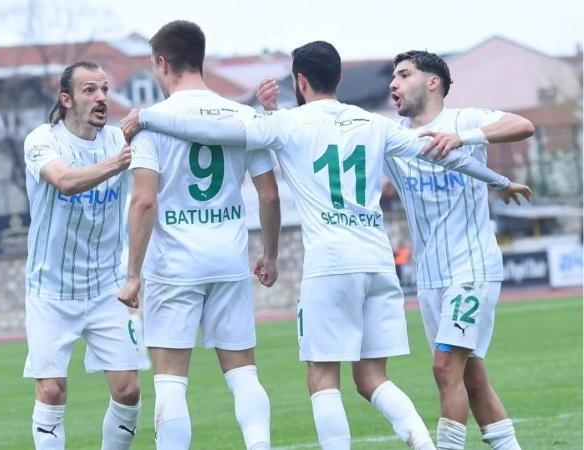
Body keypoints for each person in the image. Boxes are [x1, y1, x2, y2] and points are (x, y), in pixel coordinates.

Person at [122, 41, 531, 450]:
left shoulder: (287, 124)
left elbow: (215, 131)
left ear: (300, 81)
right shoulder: (375, 124)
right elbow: (441, 154)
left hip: (330, 263)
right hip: (377, 261)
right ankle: (425, 444)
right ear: (339, 78)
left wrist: (150, 118)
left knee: (323, 379)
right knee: (374, 377)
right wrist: (500, 181)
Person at [116, 20, 281, 450]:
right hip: (228, 259)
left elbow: (144, 201)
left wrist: (132, 275)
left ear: (162, 62)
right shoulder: (244, 117)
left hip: (174, 264)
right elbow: (268, 193)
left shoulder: (149, 124)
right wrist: (271, 254)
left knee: (171, 381)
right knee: (243, 373)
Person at [385, 50, 533, 450]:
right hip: (430, 275)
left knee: (444, 367)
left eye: (404, 75)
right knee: (471, 377)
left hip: (472, 267)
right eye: (393, 77)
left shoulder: (465, 120)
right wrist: (500, 182)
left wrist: (465, 139)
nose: (394, 83)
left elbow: (523, 125)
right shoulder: (392, 135)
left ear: (433, 82)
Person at [22, 61, 140, 450]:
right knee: (51, 391)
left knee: (128, 391)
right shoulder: (42, 140)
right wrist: (117, 161)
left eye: (104, 89)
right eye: (90, 90)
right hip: (50, 290)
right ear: (67, 99)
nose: (101, 97)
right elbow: (65, 181)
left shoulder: (119, 139)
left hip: (106, 288)